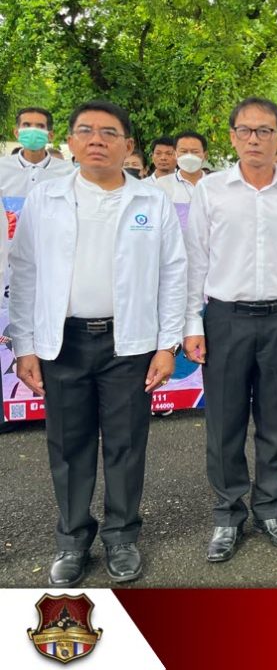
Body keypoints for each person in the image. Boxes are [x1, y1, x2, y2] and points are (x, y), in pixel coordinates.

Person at [9, 100, 187, 586]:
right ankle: (71, 540)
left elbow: (174, 273)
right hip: (63, 343)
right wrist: (24, 344)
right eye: (85, 130)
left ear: (127, 145)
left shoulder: (152, 201)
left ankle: (122, 537)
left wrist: (167, 344)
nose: (96, 140)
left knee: (126, 445)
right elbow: (24, 271)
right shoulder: (46, 198)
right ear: (70, 141)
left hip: (128, 344)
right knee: (69, 446)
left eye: (109, 133)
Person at [184, 97, 277, 563]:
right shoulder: (211, 192)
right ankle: (228, 515)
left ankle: (269, 508)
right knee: (224, 424)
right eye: (245, 130)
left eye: (264, 131)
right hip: (225, 319)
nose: (254, 139)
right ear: (232, 137)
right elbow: (195, 261)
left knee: (276, 422)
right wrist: (192, 323)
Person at [0, 107, 75, 199]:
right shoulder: (2, 167)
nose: (33, 131)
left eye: (40, 126)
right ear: (16, 133)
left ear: (50, 135)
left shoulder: (68, 172)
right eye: (27, 125)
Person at [155, 131, 207, 205]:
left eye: (195, 152)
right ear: (175, 154)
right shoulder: (162, 184)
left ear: (205, 155)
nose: (189, 156)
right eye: (184, 151)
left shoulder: (215, 184)